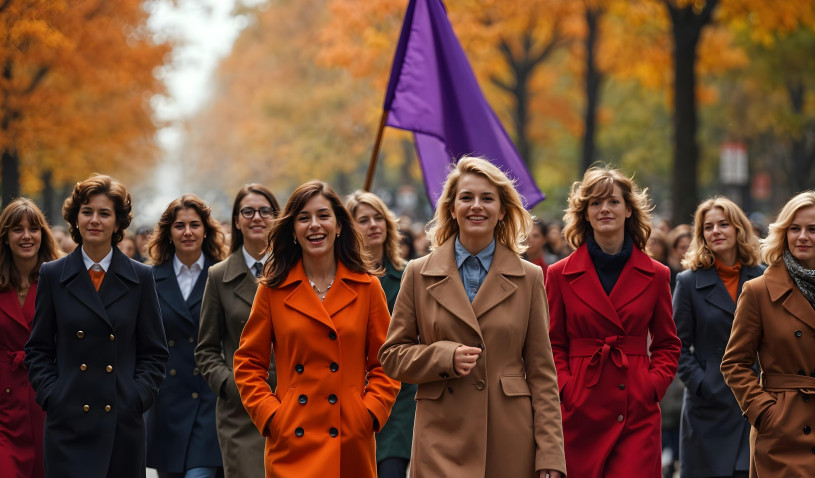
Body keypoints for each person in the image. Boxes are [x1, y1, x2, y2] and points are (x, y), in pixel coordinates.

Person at [379, 156, 566, 478]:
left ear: (502, 211)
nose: (476, 206)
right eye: (466, 197)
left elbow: (542, 373)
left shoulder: (530, 277)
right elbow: (392, 357)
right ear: (451, 208)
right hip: (440, 438)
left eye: (487, 198)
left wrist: (550, 455)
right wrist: (442, 356)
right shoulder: (418, 272)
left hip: (509, 439)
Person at [233, 180, 399, 478]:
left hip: (350, 443)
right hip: (292, 443)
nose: (314, 225)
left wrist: (369, 413)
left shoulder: (368, 287)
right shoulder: (272, 290)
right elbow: (248, 364)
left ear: (338, 226)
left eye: (323, 216)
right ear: (293, 230)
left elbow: (386, 363)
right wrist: (272, 417)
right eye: (303, 218)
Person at [24, 174, 168, 478]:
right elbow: (38, 349)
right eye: (87, 211)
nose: (94, 220)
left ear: (118, 223)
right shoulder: (53, 273)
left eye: (105, 213)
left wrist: (135, 397)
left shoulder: (141, 277)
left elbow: (154, 353)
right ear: (76, 218)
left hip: (121, 426)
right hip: (68, 426)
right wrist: (53, 394)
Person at [545, 166, 681, 477]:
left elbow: (667, 344)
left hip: (636, 411)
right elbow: (551, 343)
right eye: (595, 203)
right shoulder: (559, 274)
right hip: (580, 410)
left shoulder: (657, 274)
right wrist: (567, 389)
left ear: (629, 210)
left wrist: (651, 386)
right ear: (585, 213)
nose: (604, 209)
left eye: (613, 202)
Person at [721, 191, 815, 477]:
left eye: (812, 229)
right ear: (783, 233)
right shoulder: (759, 290)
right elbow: (734, 364)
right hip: (784, 432)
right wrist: (764, 413)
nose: (802, 237)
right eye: (794, 229)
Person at [673, 197, 763, 478]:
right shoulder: (688, 282)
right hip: (706, 411)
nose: (716, 231)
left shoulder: (763, 278)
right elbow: (676, 344)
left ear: (738, 229)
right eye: (708, 227)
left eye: (723, 224)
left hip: (755, 402)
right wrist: (702, 382)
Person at [194, 184, 280, 478]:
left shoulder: (296, 271)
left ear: (277, 218)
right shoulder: (219, 276)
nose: (257, 217)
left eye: (265, 211)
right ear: (237, 221)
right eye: (248, 211)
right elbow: (205, 349)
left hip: (294, 406)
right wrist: (231, 385)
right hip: (242, 414)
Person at [145, 194, 227, 478]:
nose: (188, 232)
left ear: (206, 230)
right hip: (167, 404)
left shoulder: (222, 275)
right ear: (169, 232)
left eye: (195, 224)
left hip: (210, 400)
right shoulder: (150, 278)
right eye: (180, 225)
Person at [346, 190, 417, 478]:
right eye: (363, 220)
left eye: (379, 218)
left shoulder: (409, 276)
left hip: (399, 399)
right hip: (351, 400)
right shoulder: (339, 281)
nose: (374, 224)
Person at [0, 198, 61, 478]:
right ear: (5, 237)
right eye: (17, 229)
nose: (26, 236)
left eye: (33, 228)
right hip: (5, 407)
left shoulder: (62, 280)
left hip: (49, 401)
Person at [667, 224, 692, 290]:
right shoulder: (668, 274)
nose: (687, 251)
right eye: (682, 248)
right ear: (674, 250)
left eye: (690, 247)